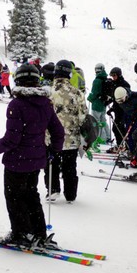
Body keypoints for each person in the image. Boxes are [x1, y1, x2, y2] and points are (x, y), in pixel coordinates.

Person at [0, 63, 64, 250]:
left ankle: (21, 234)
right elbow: (58, 131)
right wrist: (54, 149)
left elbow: (12, 139)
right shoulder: (45, 103)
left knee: (15, 198)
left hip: (17, 162)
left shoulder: (17, 104)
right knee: (31, 195)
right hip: (36, 160)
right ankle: (37, 232)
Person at [45, 59, 88, 203]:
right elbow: (83, 116)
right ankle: (70, 194)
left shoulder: (48, 92)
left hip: (51, 137)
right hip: (71, 138)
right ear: (70, 74)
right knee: (70, 166)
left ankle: (53, 189)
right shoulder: (77, 93)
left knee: (52, 163)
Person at [113, 87, 137, 158]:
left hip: (135, 117)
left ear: (126, 96)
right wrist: (112, 109)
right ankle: (129, 148)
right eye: (119, 101)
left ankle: (133, 152)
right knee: (127, 132)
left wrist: (136, 114)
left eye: (122, 100)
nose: (121, 102)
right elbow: (117, 105)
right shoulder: (119, 97)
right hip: (127, 115)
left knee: (131, 133)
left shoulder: (136, 97)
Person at [87, 63, 111, 143]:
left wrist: (89, 97)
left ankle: (101, 139)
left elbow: (94, 94)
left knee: (97, 122)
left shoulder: (97, 81)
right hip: (103, 104)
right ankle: (108, 137)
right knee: (103, 121)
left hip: (96, 105)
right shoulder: (105, 78)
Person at [107, 67, 130, 148]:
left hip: (123, 110)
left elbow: (124, 99)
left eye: (114, 76)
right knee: (117, 128)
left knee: (119, 128)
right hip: (117, 109)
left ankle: (124, 145)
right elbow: (115, 98)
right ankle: (120, 144)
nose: (113, 78)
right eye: (112, 76)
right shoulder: (114, 84)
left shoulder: (125, 84)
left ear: (119, 75)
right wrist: (112, 108)